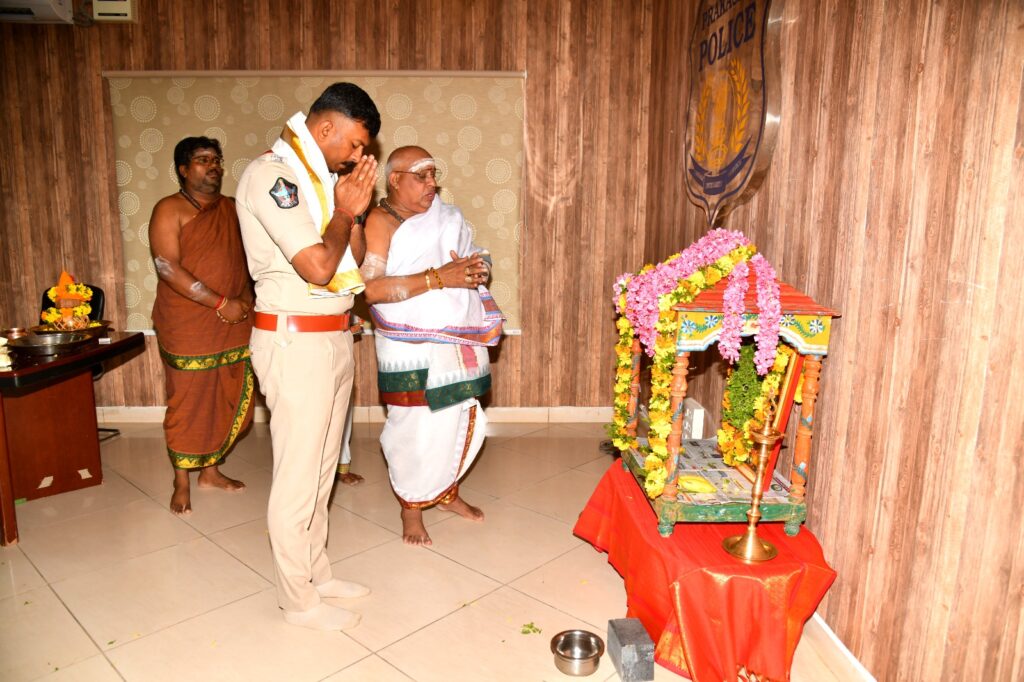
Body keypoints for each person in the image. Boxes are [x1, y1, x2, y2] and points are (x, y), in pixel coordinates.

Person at [235, 83, 379, 631]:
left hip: (334, 336)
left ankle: (317, 572)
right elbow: (318, 267)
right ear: (324, 128)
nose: (358, 156)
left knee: (322, 471)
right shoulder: (272, 176)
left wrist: (354, 214)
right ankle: (297, 600)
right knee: (298, 476)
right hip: (294, 341)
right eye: (355, 144)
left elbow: (351, 260)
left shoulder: (322, 183)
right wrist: (343, 209)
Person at [362, 146, 503, 546]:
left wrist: (479, 267)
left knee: (455, 414)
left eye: (433, 175)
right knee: (414, 425)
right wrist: (440, 278)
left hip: (454, 338)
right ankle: (410, 506)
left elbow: (474, 256)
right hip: (408, 343)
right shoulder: (380, 222)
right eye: (421, 176)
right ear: (395, 179)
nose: (432, 184)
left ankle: (446, 492)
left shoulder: (448, 216)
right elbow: (370, 289)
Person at [149, 136, 254, 516]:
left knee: (225, 394)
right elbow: (167, 267)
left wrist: (243, 302)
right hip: (188, 322)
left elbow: (248, 260)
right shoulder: (170, 209)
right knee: (188, 400)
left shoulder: (232, 208)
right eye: (203, 160)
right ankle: (181, 480)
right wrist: (221, 303)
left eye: (217, 159)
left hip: (236, 319)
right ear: (183, 169)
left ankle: (210, 472)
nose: (214, 166)